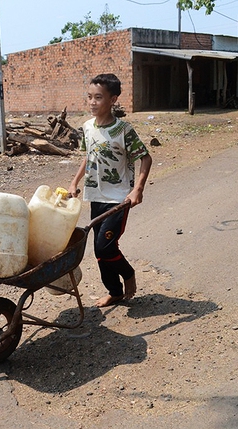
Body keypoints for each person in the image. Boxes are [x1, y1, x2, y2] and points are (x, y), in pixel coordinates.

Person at [69, 73, 153, 307]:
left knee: (104, 246)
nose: (92, 102)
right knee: (100, 251)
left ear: (113, 99)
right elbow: (88, 157)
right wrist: (74, 183)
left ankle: (128, 274)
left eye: (98, 97)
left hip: (119, 198)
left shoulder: (123, 130)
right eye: (89, 97)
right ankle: (114, 291)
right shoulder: (87, 127)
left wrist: (138, 189)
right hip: (96, 196)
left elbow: (146, 158)